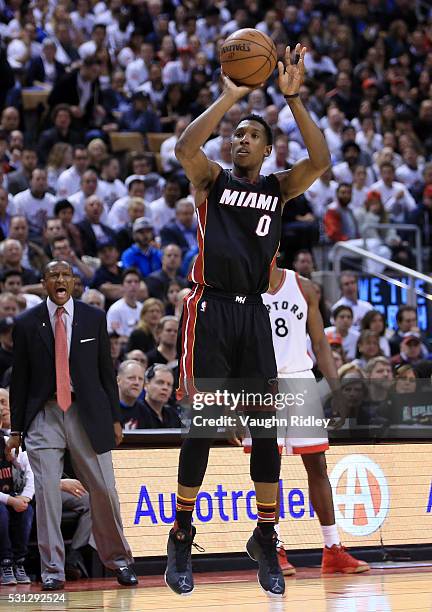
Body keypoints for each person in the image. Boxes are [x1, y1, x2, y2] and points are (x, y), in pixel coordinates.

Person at [165, 44, 330, 598]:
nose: (240, 139)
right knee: (205, 428)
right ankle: (182, 535)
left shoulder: (278, 188)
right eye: (237, 133)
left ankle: (265, 534)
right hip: (210, 309)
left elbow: (321, 160)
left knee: (266, 433)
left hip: (254, 315)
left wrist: (294, 99)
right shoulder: (211, 180)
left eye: (251, 135)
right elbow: (185, 145)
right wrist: (230, 95)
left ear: (266, 148)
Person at [7, 260, 138, 591]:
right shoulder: (26, 323)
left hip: (87, 414)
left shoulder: (94, 317)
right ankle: (53, 570)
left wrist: (114, 418)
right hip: (44, 415)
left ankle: (119, 560)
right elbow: (20, 381)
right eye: (53, 276)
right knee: (49, 492)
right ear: (44, 283)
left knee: (105, 489)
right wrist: (17, 430)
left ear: (75, 283)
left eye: (66, 275)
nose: (60, 280)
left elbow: (106, 373)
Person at [261, 266, 369, 576]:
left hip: (301, 380)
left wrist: (336, 392)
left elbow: (320, 343)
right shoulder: (244, 287)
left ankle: (333, 548)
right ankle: (273, 547)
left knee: (318, 465)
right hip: (262, 384)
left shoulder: (303, 286)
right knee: (268, 468)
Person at [0, 430, 34, 585]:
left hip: (10, 495)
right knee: (1, 513)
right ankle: (5, 562)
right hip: (4, 500)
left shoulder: (9, 443)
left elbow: (30, 472)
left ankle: (19, 561)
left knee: (26, 510)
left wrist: (25, 496)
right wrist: (11, 501)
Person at [106, 267, 144, 339]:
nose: (133, 285)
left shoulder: (142, 308)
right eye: (129, 282)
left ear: (139, 285)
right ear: (122, 285)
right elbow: (115, 337)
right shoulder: (115, 309)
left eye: (136, 282)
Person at [117, 359, 146, 429]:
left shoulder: (144, 411)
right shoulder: (106, 408)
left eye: (140, 379)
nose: (137, 383)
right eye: (131, 378)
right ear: (118, 380)